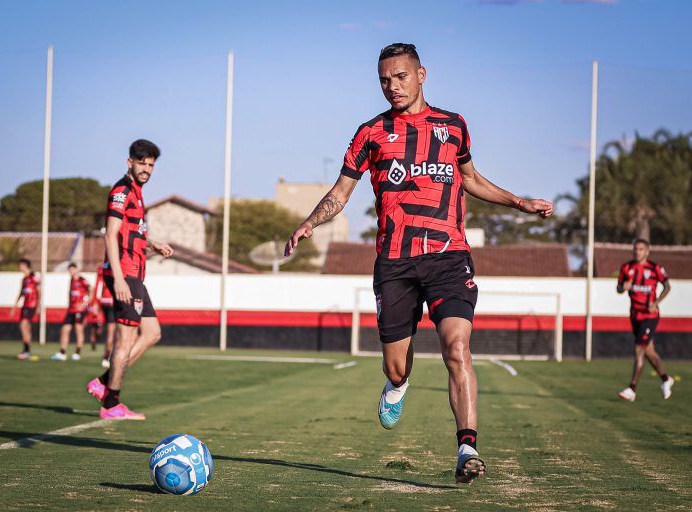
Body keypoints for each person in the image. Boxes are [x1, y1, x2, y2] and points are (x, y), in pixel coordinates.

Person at [285, 43, 554, 484]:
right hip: (395, 263)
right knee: (397, 366)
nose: (392, 86)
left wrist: (518, 202)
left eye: (400, 77)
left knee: (457, 348)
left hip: (449, 257)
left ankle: (466, 447)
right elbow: (340, 193)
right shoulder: (370, 134)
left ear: (421, 74)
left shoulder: (453, 127)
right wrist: (310, 222)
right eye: (384, 80)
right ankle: (397, 386)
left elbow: (470, 179)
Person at [86, 139, 173, 420]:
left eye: (150, 165)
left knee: (152, 333)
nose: (147, 169)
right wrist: (120, 279)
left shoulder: (137, 191)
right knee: (125, 340)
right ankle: (111, 404)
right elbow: (111, 234)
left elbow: (130, 232)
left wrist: (153, 243)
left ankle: (103, 383)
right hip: (125, 274)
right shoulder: (122, 191)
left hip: (136, 274)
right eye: (142, 163)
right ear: (130, 162)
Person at [617, 238, 674, 401]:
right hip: (635, 315)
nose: (637, 252)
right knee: (649, 352)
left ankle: (632, 389)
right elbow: (618, 288)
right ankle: (665, 379)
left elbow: (668, 286)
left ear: (647, 251)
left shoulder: (655, 268)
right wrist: (623, 287)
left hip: (650, 316)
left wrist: (656, 303)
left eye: (641, 249)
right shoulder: (626, 268)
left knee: (639, 349)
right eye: (635, 249)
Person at [52, 263, 90, 361]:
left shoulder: (82, 280)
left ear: (77, 269)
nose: (71, 271)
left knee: (78, 330)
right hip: (71, 310)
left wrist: (85, 303)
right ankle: (62, 353)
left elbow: (91, 289)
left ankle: (77, 353)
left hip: (79, 310)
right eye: (70, 270)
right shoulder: (72, 280)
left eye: (72, 269)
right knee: (65, 329)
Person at [10, 258, 41, 360]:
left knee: (23, 325)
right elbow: (21, 293)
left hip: (32, 305)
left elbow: (39, 291)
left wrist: (38, 306)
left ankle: (26, 350)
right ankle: (27, 350)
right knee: (26, 328)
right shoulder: (24, 279)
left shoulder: (34, 277)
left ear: (25, 265)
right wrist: (15, 306)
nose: (20, 267)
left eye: (21, 265)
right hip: (25, 306)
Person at [92, 262, 117, 368]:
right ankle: (106, 357)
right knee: (110, 334)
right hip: (110, 304)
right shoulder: (119, 266)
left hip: (103, 303)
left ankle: (105, 354)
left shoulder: (102, 267)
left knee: (104, 331)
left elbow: (97, 286)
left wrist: (95, 302)